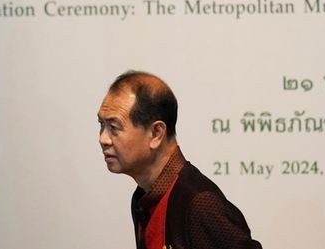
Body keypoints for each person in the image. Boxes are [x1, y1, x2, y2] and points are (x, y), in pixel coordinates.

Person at [97, 70, 262, 249]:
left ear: (156, 133)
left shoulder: (199, 204)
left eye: (114, 127)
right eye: (101, 125)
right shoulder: (143, 198)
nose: (103, 139)